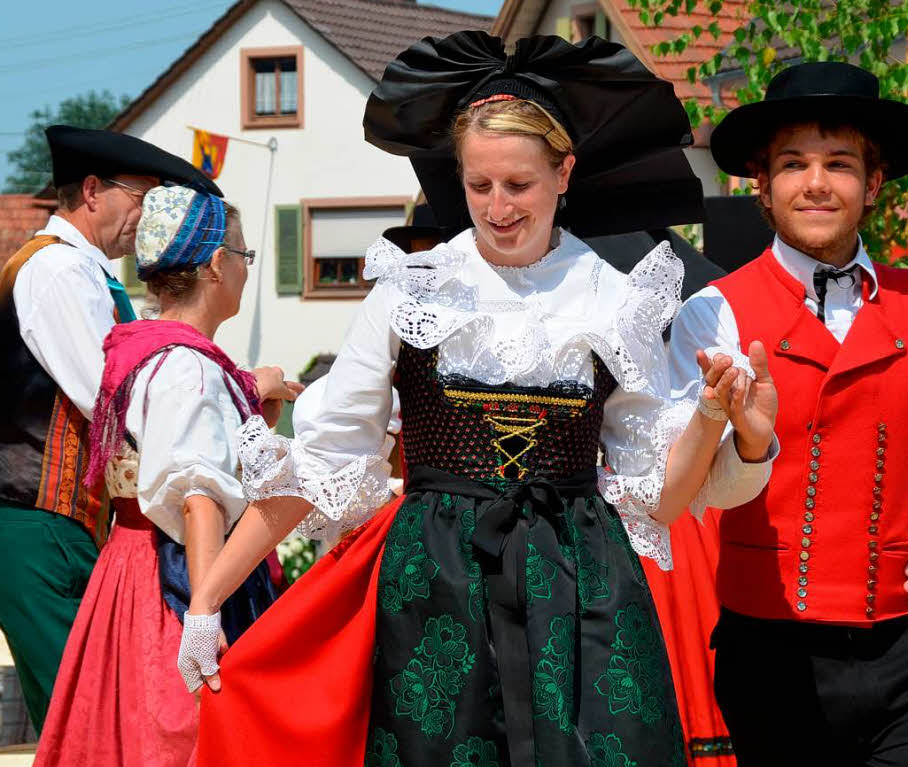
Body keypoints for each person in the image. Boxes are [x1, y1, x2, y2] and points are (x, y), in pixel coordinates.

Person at [178, 32, 779, 767]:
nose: (497, 206)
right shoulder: (410, 290)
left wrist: (715, 415)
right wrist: (207, 600)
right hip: (436, 585)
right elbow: (323, 464)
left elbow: (660, 495)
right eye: (478, 185)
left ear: (565, 172)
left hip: (581, 586)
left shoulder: (614, 299)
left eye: (519, 184)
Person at [670, 60, 908, 765]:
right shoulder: (711, 315)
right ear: (763, 187)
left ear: (873, 185)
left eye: (839, 163)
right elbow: (695, 487)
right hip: (770, 657)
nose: (817, 182)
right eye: (794, 164)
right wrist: (746, 439)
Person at [33, 185, 298, 765]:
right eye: (245, 257)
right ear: (214, 263)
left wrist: (254, 405)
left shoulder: (140, 348)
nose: (246, 272)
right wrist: (203, 613)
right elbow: (196, 497)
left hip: (130, 566)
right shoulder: (189, 369)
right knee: (185, 733)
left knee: (122, 730)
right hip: (175, 577)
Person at [0, 125, 222, 732]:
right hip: (35, 519)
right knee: (79, 721)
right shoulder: (57, 272)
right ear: (93, 191)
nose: (147, 220)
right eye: (143, 199)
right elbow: (111, 397)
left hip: (64, 523)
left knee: (91, 714)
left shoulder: (85, 272)